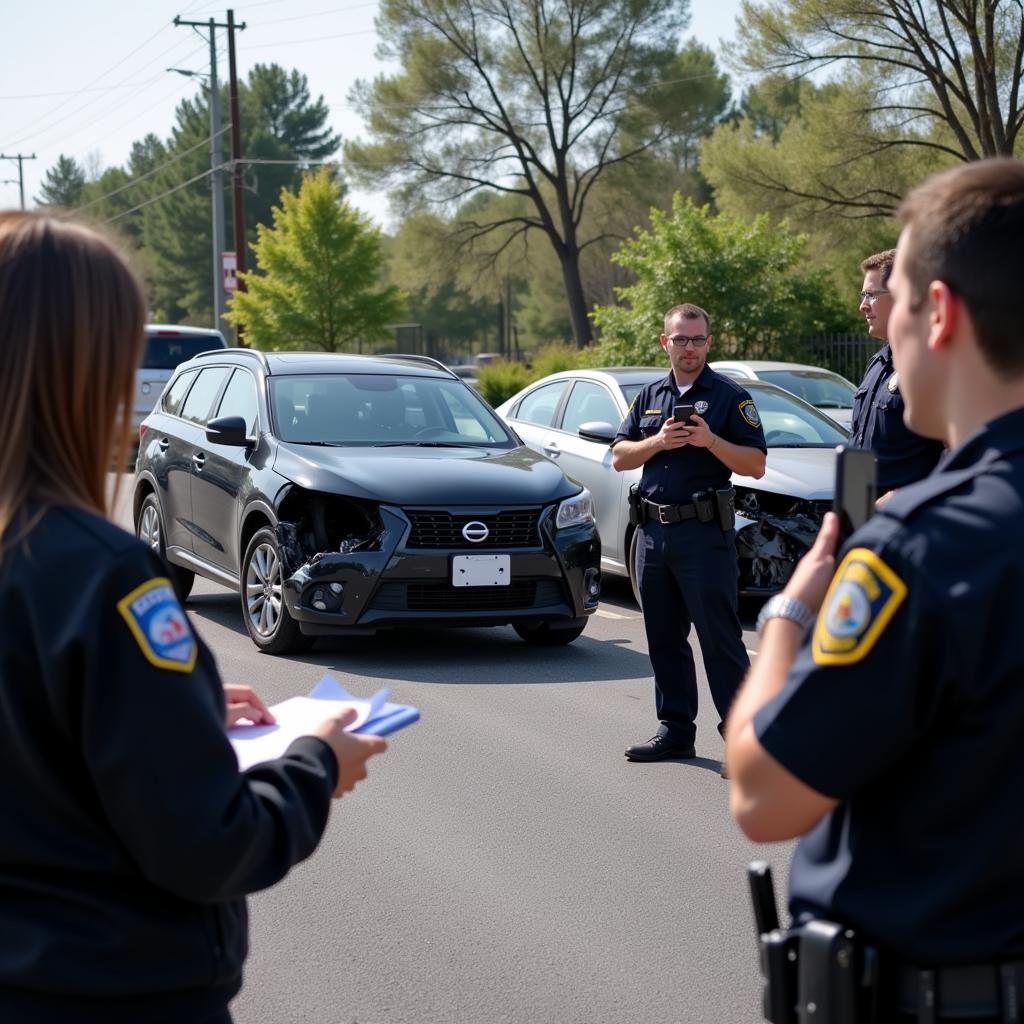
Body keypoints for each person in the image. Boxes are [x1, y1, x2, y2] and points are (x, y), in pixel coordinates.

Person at [0, 210, 388, 1024]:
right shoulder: (102, 577)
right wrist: (317, 765)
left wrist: (177, 711)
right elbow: (208, 843)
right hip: (111, 993)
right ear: (91, 366)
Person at [726, 157, 1024, 1022]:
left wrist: (788, 616)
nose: (880, 327)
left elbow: (762, 794)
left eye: (896, 304)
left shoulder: (928, 548)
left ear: (941, 316)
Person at [612, 303, 766, 764]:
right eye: (681, 339)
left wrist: (711, 442)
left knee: (720, 640)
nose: (690, 348)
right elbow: (620, 456)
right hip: (654, 536)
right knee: (663, 637)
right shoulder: (649, 396)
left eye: (698, 339)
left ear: (709, 343)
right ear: (666, 342)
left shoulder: (728, 396)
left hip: (703, 536)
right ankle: (675, 730)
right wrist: (658, 441)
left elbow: (756, 465)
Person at [851, 248, 944, 496]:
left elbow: (963, 454)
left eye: (871, 295)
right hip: (862, 515)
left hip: (912, 522)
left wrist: (905, 495)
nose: (863, 306)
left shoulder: (932, 363)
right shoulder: (877, 364)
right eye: (863, 295)